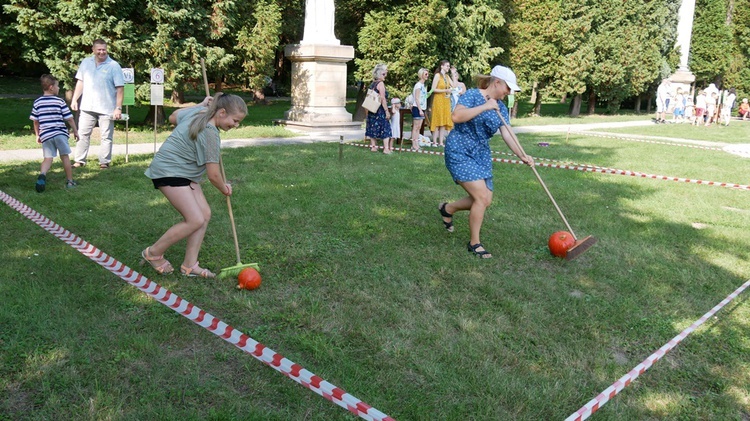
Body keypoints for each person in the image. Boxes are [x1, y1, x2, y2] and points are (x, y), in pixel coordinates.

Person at [141, 93, 248, 278]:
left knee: (204, 214)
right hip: (169, 171)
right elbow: (213, 175)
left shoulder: (200, 112)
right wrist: (224, 187)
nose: (236, 125)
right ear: (222, 112)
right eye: (235, 120)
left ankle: (190, 265)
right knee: (195, 219)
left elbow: (173, 116)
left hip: (184, 172)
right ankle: (153, 253)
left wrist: (200, 105)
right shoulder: (210, 133)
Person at [439, 65, 534, 259]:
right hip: (460, 150)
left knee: (485, 200)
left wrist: (522, 155)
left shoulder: (501, 108)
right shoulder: (473, 95)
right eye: (508, 88)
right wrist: (484, 106)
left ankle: (447, 208)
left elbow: (507, 134)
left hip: (480, 154)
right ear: (497, 82)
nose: (508, 93)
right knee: (481, 197)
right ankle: (474, 243)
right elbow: (456, 116)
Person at [70, 39, 124, 169]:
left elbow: (120, 88)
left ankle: (104, 162)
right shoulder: (85, 63)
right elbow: (80, 82)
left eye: (104, 49)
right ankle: (79, 160)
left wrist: (118, 108)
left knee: (106, 136)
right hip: (87, 106)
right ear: (93, 50)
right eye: (99, 49)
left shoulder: (113, 65)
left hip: (107, 108)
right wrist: (74, 99)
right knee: (83, 134)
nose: (102, 52)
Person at [29, 74, 79, 192]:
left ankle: (42, 175)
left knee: (48, 158)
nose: (59, 88)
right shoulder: (59, 101)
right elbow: (69, 118)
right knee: (65, 157)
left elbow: (36, 121)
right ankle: (70, 181)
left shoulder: (38, 102)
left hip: (46, 135)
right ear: (51, 87)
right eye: (57, 86)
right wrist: (75, 131)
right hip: (60, 133)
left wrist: (38, 135)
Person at [365, 64, 393, 154]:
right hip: (380, 110)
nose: (385, 76)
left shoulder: (373, 84)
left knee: (373, 127)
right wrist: (386, 111)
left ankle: (373, 147)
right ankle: (386, 149)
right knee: (386, 128)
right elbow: (383, 98)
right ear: (380, 74)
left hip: (372, 109)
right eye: (384, 74)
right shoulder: (381, 84)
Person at [430, 60, 454, 146]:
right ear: (442, 66)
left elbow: (454, 85)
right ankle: (434, 141)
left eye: (449, 66)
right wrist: (445, 90)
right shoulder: (437, 76)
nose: (448, 67)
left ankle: (441, 142)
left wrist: (453, 74)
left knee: (443, 121)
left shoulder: (447, 76)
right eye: (447, 66)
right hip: (438, 100)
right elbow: (433, 89)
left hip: (446, 100)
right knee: (437, 120)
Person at [409, 68, 429, 151]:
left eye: (427, 74)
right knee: (416, 127)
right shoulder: (418, 85)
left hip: (422, 107)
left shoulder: (423, 86)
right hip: (417, 108)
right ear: (421, 75)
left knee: (419, 127)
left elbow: (422, 97)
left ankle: (417, 144)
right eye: (425, 74)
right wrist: (420, 110)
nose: (427, 75)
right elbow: (416, 98)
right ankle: (414, 145)